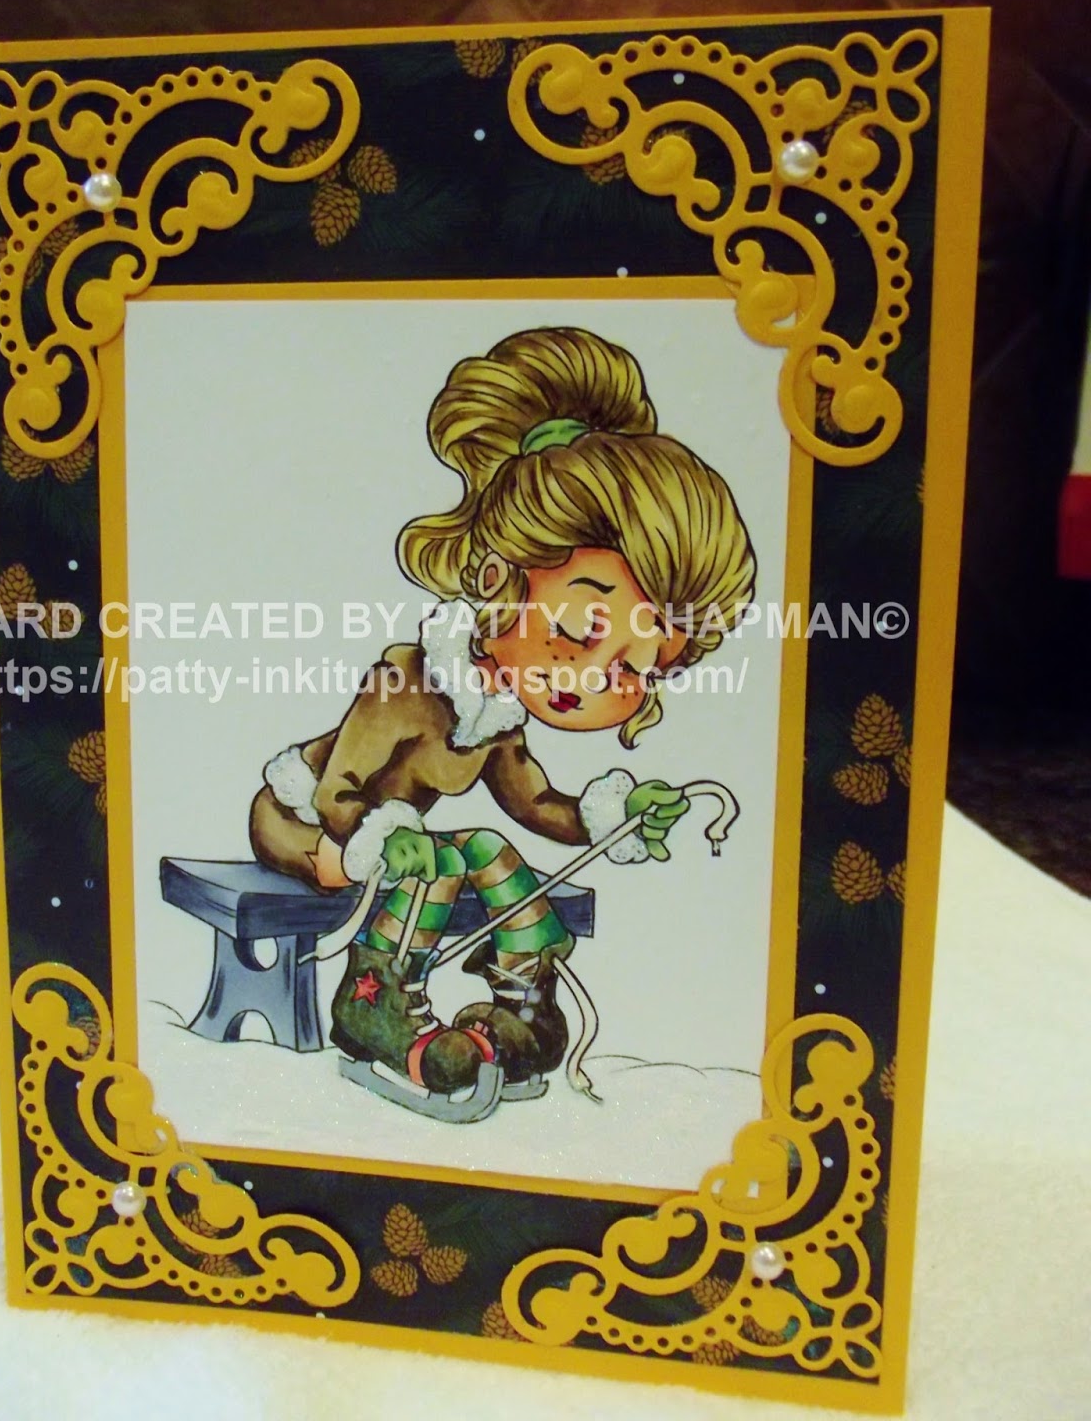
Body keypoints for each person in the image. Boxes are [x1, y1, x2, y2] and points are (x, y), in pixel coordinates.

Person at [250, 326, 756, 1113]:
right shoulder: (408, 682)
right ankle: (374, 1000)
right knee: (441, 863)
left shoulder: (495, 715)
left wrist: (615, 815)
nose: (590, 679)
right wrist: (379, 838)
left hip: (396, 843)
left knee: (483, 846)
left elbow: (534, 804)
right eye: (582, 631)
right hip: (308, 826)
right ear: (496, 576)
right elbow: (337, 788)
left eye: (632, 671)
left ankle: (524, 1001)